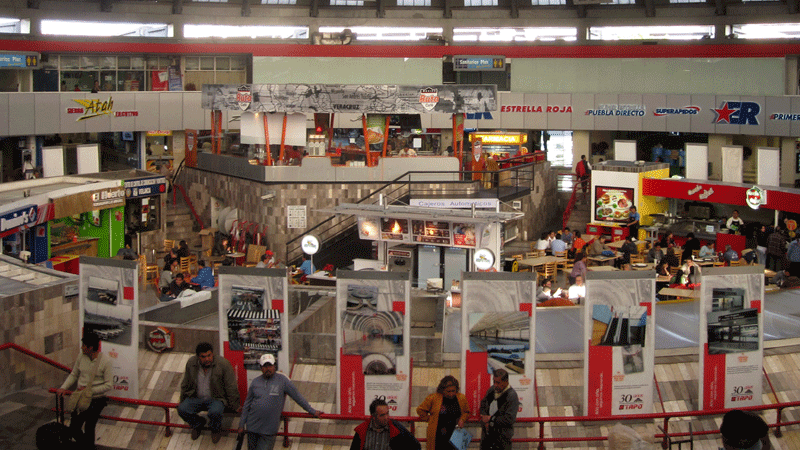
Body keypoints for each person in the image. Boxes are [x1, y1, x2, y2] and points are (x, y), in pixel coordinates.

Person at [240, 354, 321, 450]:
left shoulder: (283, 381)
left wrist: (312, 411)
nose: (268, 369)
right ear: (261, 368)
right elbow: (247, 405)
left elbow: (298, 397)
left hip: (269, 431)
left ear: (275, 366)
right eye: (265, 366)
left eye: (270, 365)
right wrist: (241, 425)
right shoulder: (255, 382)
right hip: (252, 428)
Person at [56, 331, 112, 449]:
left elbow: (108, 385)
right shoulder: (81, 356)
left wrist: (90, 390)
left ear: (90, 347)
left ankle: (88, 447)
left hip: (96, 399)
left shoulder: (105, 361)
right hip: (81, 398)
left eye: (83, 345)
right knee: (74, 427)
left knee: (89, 427)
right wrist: (63, 388)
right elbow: (74, 374)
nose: (81, 347)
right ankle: (86, 446)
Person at [178, 342, 239, 443]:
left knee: (215, 412)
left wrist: (234, 405)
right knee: (182, 410)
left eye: (209, 355)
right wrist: (182, 400)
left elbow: (231, 387)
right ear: (198, 357)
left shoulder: (223, 364)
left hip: (216, 398)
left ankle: (215, 429)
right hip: (196, 397)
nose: (207, 359)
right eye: (203, 356)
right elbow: (185, 383)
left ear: (213, 354)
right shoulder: (191, 363)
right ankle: (198, 424)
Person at [416, 375, 470, 450]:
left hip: (456, 435)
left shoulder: (461, 398)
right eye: (448, 391)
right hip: (438, 436)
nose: (451, 394)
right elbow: (420, 410)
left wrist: (462, 419)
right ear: (442, 390)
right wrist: (430, 419)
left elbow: (467, 412)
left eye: (453, 391)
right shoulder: (433, 398)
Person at [350, 398, 420, 450]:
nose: (386, 417)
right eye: (382, 415)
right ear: (373, 416)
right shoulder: (362, 430)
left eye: (387, 413)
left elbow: (416, 446)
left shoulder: (397, 429)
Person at [479, 369, 519, 450]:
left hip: (502, 440)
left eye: (498, 382)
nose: (495, 385)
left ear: (506, 382)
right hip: (487, 438)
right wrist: (484, 417)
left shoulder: (512, 396)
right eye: (494, 382)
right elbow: (483, 404)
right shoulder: (491, 390)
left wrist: (490, 419)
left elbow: (509, 419)